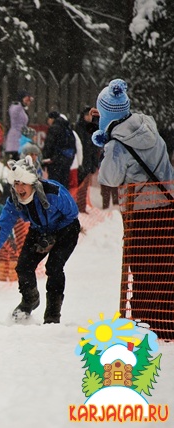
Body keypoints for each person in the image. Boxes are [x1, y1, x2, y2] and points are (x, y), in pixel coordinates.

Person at [95, 78, 174, 340]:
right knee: (165, 267)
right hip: (168, 206)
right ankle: (167, 319)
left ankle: (146, 324)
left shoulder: (118, 145)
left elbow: (109, 178)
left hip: (141, 212)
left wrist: (106, 144)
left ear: (106, 114)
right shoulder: (147, 125)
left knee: (142, 268)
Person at [0, 156, 80, 324]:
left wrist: (54, 235)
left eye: (23, 183)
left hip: (66, 228)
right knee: (23, 267)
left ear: (32, 183)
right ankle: (30, 300)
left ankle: (52, 315)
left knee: (54, 267)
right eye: (16, 184)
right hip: (39, 229)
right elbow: (3, 228)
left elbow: (73, 213)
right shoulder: (14, 201)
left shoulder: (53, 192)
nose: (19, 188)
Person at [42, 111, 76, 187]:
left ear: (51, 119)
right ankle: (63, 197)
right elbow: (73, 144)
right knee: (64, 183)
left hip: (55, 161)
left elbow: (49, 144)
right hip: (67, 160)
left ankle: (55, 198)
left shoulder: (54, 128)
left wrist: (45, 158)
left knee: (54, 184)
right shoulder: (67, 127)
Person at [4, 90, 33, 160]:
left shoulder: (22, 110)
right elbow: (15, 112)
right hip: (15, 138)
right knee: (16, 160)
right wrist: (21, 103)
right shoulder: (15, 107)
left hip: (22, 137)